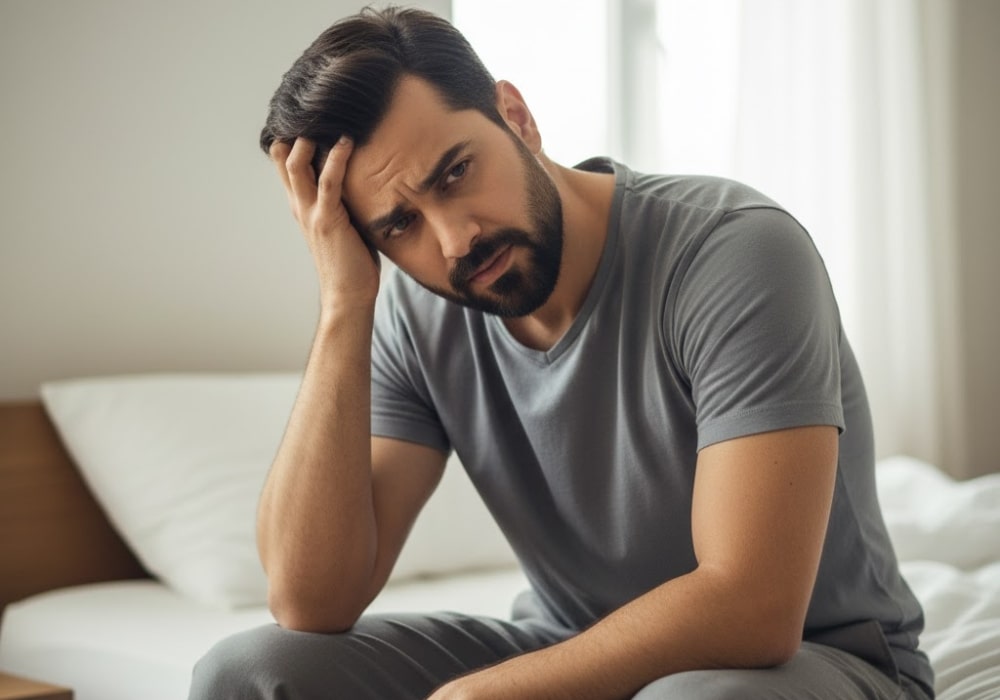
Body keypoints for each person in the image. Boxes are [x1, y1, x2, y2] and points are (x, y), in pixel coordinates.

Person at [189, 6, 934, 699]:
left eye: (455, 172)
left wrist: (484, 694)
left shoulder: (732, 253)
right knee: (249, 673)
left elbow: (753, 606)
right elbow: (309, 598)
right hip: (569, 642)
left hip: (812, 659)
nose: (454, 239)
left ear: (515, 116)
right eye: (399, 225)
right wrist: (344, 306)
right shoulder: (419, 312)